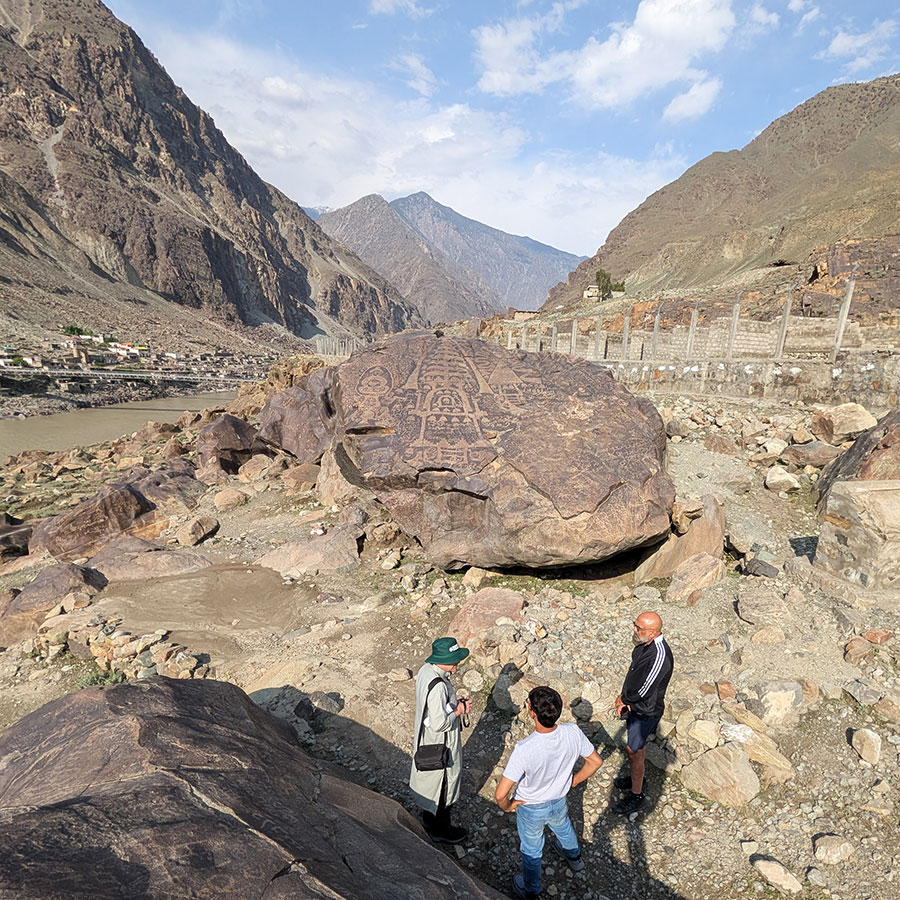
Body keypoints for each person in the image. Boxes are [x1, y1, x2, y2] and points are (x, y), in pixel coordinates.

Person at [495, 686, 603, 899]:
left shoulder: (525, 749)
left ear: (532, 712)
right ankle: (575, 859)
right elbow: (595, 761)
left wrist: (508, 806)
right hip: (559, 799)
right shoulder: (573, 732)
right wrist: (573, 781)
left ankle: (531, 890)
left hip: (531, 807)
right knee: (563, 827)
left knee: (532, 850)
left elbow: (500, 794)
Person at [409, 636, 472, 843]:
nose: (457, 664)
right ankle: (440, 831)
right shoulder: (439, 686)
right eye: (454, 661)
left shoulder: (426, 671)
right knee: (444, 785)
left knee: (431, 781)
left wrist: (452, 706)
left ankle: (428, 818)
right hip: (441, 742)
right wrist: (459, 711)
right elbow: (439, 723)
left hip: (427, 739)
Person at [614, 610, 674, 815]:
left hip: (646, 711)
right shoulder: (643, 645)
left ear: (653, 632)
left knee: (634, 750)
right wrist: (623, 696)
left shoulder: (660, 656)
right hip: (635, 705)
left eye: (638, 628)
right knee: (634, 749)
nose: (634, 629)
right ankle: (635, 779)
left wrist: (625, 700)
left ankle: (637, 794)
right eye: (635, 624)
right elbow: (634, 674)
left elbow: (646, 689)